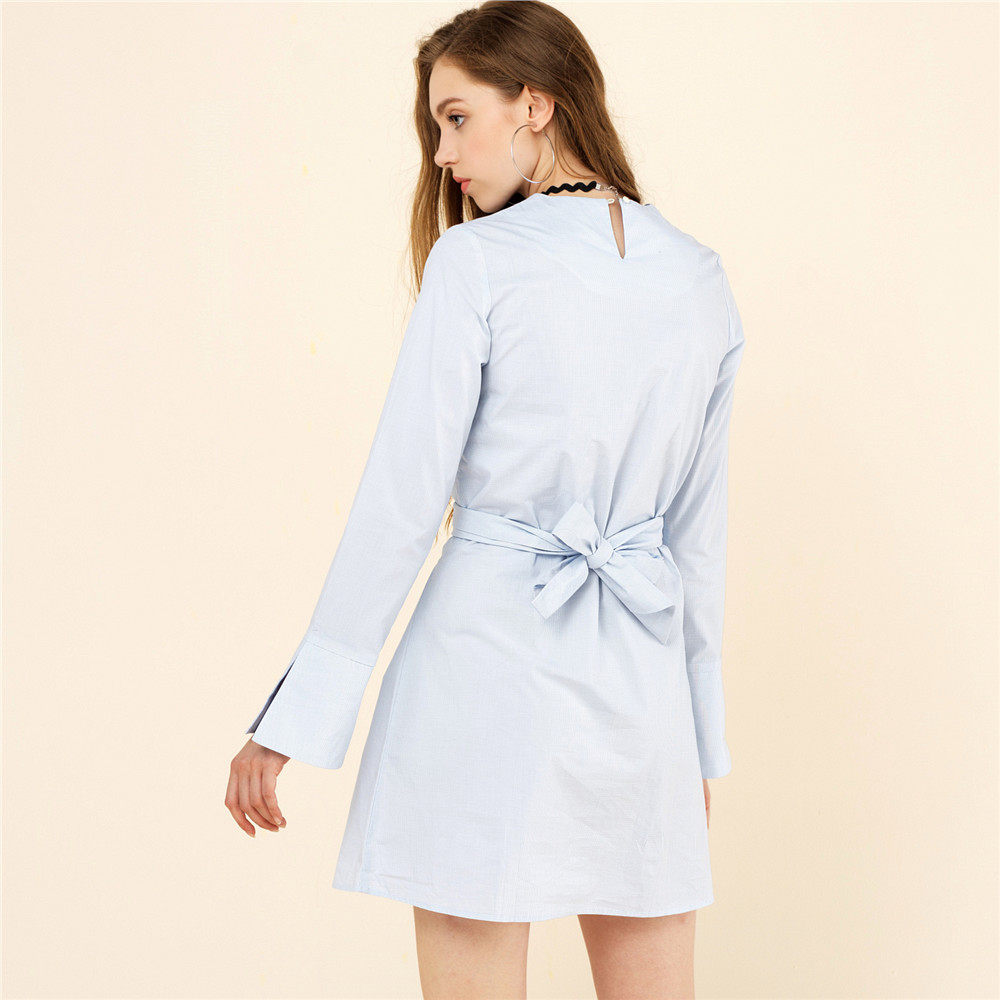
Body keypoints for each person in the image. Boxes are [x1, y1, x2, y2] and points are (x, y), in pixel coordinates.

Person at [225, 2, 746, 996]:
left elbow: (401, 501)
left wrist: (293, 717)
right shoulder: (699, 279)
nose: (441, 153)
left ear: (535, 105)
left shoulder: (477, 261)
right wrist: (696, 742)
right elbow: (696, 542)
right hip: (639, 688)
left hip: (483, 671)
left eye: (457, 117)